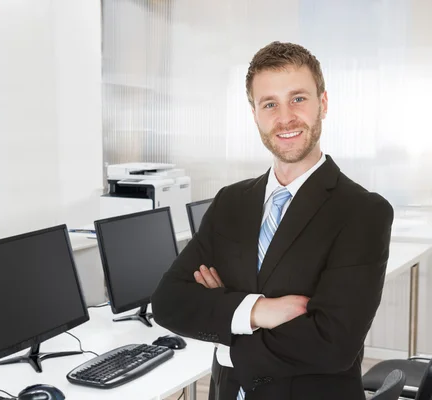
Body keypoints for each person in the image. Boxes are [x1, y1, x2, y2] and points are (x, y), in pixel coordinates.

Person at [151, 41, 394, 400]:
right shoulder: (230, 202)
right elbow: (169, 302)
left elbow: (333, 344)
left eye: (298, 98)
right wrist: (257, 310)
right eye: (270, 104)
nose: (285, 118)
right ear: (255, 114)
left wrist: (225, 327)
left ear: (322, 104)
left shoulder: (362, 211)